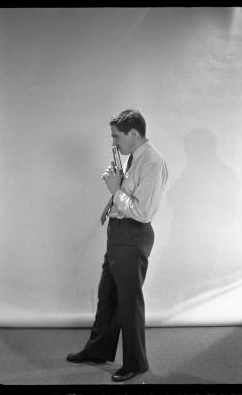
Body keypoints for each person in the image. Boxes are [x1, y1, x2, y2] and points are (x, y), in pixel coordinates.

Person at [66, 109, 168, 382]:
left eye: (117, 136)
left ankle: (136, 364)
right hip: (119, 235)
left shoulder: (152, 163)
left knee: (129, 302)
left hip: (133, 236)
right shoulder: (136, 157)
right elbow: (131, 197)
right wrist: (120, 183)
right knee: (108, 296)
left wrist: (115, 189)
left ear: (133, 134)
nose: (113, 143)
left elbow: (143, 213)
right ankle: (98, 350)